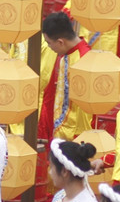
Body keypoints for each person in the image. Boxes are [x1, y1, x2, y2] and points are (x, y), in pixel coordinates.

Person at [38, 11, 94, 144]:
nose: (49, 47)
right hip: (61, 132)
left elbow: (84, 114)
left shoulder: (83, 61)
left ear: (60, 42)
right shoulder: (67, 55)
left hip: (73, 138)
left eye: (49, 43)